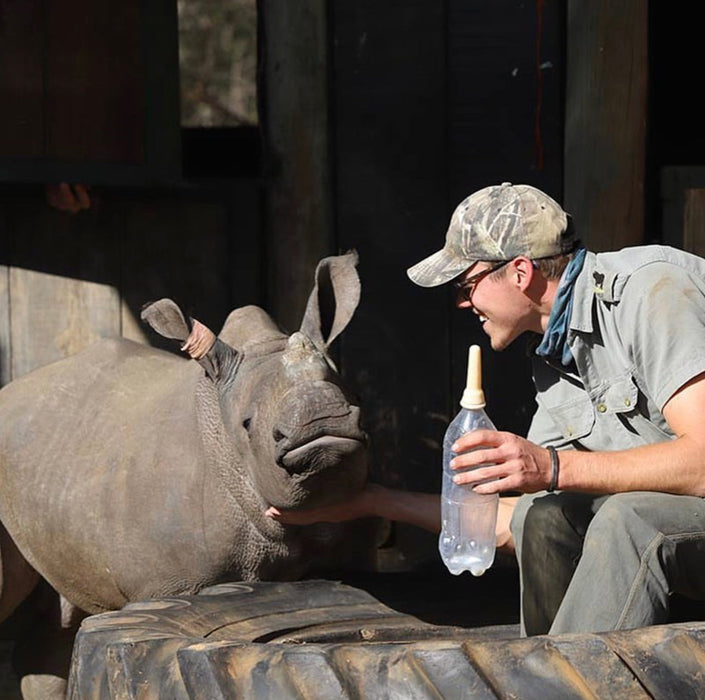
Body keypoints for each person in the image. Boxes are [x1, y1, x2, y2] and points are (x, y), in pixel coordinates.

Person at [267, 181, 705, 636]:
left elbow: (701, 465)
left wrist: (552, 466)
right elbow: (505, 521)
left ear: (519, 273)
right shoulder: (556, 362)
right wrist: (371, 502)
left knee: (625, 520)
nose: (460, 302)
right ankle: (545, 675)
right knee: (545, 517)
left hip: (667, 522)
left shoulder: (652, 292)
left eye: (466, 285)